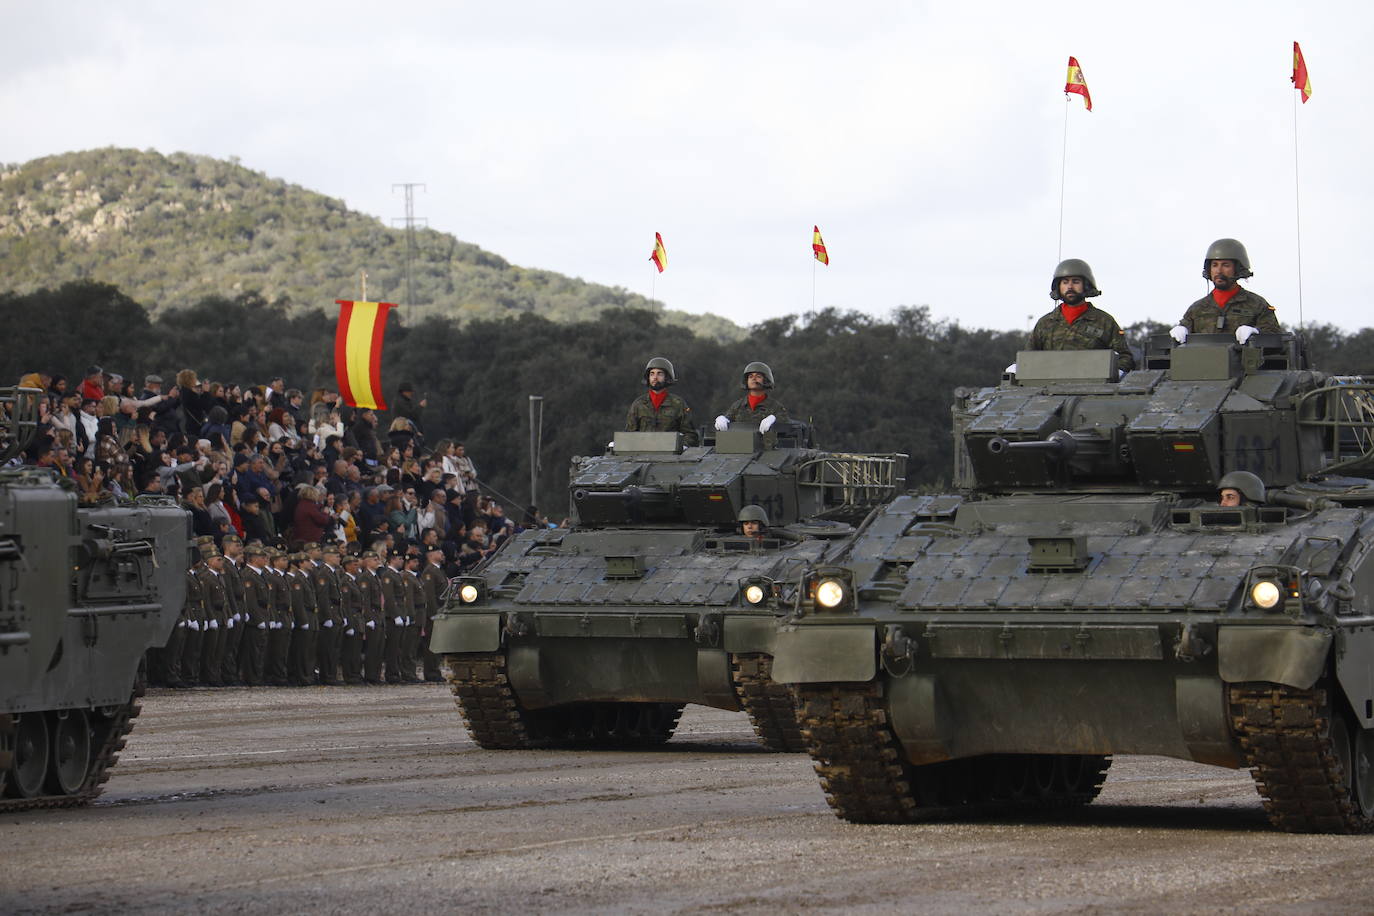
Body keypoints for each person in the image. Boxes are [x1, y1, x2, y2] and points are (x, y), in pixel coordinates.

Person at [1021, 259, 1135, 376]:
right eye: (1065, 282)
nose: (1070, 287)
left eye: (1075, 282)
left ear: (1085, 285)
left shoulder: (1105, 322)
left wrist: (1115, 373)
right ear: (1059, 287)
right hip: (1049, 389)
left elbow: (1125, 357)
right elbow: (1029, 358)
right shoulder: (1045, 324)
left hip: (1094, 389)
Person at [1172, 239, 1282, 345]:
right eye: (1214, 265)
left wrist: (1256, 333)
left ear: (1238, 269)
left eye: (1226, 265)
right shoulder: (1197, 309)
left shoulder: (1257, 304)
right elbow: (1183, 332)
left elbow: (1276, 337)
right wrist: (1181, 330)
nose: (1219, 271)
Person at [625, 357, 699, 446]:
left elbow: (691, 436)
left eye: (659, 374)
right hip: (642, 455)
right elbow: (629, 435)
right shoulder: (638, 404)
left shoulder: (678, 404)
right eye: (652, 374)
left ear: (667, 377)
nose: (655, 377)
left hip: (670, 457)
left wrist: (679, 446)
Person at [715, 362, 790, 432]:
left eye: (758, 376)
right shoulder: (738, 406)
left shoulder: (775, 406)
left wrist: (774, 419)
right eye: (750, 376)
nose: (754, 379)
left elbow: (786, 423)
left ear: (766, 380)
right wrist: (722, 419)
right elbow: (728, 418)